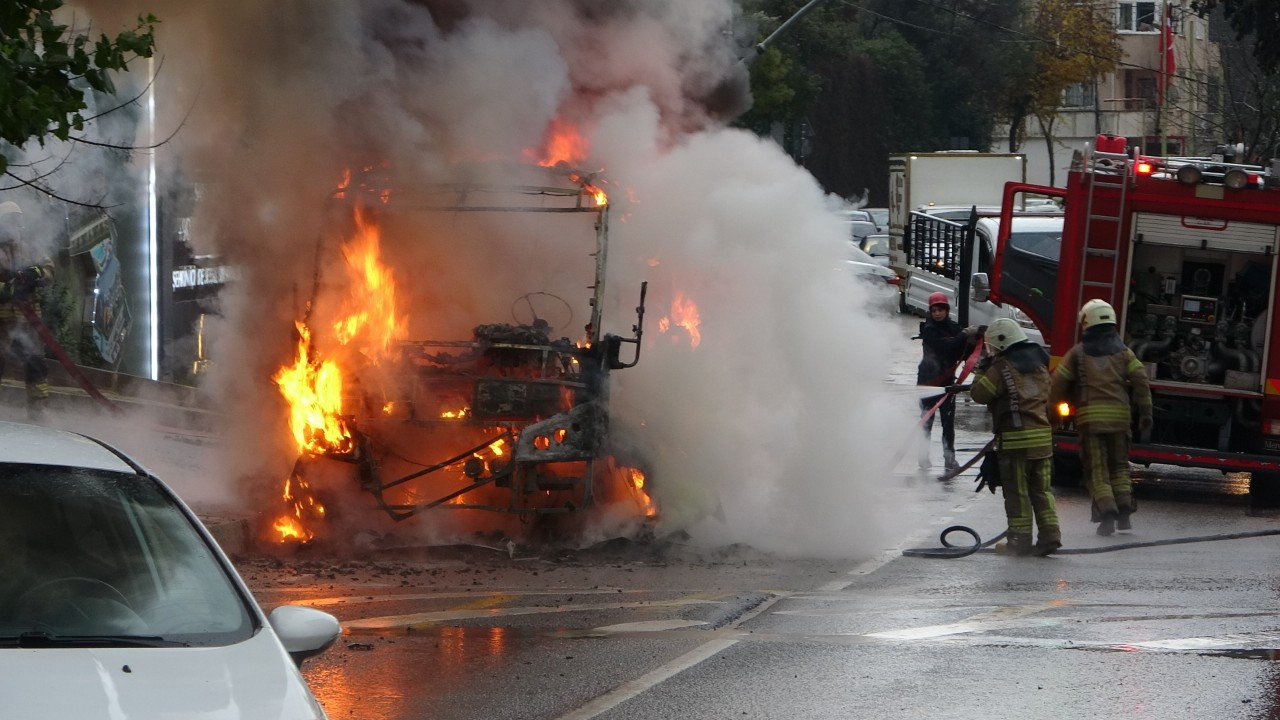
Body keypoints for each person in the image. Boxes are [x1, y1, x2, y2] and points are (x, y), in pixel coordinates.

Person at [1050, 299, 1152, 536]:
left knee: (1097, 470)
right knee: (1119, 467)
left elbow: (1058, 383)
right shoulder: (1125, 354)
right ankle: (1125, 511)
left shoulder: (1077, 354)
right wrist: (1146, 413)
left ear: (1086, 322)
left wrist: (1053, 412)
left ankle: (1107, 515)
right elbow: (1141, 382)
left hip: (1090, 422)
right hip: (1120, 422)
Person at [964, 318, 1061, 556]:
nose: (992, 351)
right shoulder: (1039, 366)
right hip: (1043, 442)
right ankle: (1050, 537)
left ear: (1001, 343)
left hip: (1016, 442)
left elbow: (979, 394)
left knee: (1018, 493)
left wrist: (980, 368)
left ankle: (1019, 541)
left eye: (993, 347)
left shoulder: (1001, 367)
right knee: (1042, 491)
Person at [0, 201, 55, 420]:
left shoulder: (30, 248)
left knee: (35, 363)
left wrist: (38, 275)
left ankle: (38, 409)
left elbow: (49, 269)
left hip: (28, 318)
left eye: (16, 220)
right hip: (2, 320)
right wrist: (6, 289)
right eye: (9, 221)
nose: (13, 226)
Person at [916, 291, 978, 470]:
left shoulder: (953, 327)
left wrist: (975, 338)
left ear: (946, 310)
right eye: (934, 310)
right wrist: (965, 334)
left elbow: (963, 349)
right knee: (926, 423)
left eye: (940, 310)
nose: (937, 313)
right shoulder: (929, 330)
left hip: (948, 384)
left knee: (948, 423)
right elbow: (947, 347)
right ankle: (923, 458)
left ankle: (949, 459)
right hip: (928, 383)